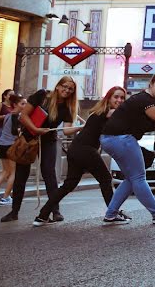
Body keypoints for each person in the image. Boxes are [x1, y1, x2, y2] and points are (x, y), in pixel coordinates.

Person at [99, 72, 155, 225]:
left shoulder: (143, 99)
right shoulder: (147, 101)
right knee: (139, 177)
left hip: (110, 139)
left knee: (131, 178)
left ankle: (111, 214)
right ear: (151, 84)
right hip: (121, 139)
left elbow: (141, 119)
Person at [33, 86, 127, 226]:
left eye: (122, 98)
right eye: (116, 97)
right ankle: (112, 213)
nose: (119, 100)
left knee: (69, 184)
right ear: (108, 98)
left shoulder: (98, 111)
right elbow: (119, 115)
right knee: (106, 179)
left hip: (76, 149)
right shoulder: (108, 112)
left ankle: (42, 215)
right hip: (85, 150)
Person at [1, 77, 82, 223]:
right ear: (57, 86)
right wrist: (35, 129)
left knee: (49, 174)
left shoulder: (67, 107)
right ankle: (14, 212)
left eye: (71, 89)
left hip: (48, 140)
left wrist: (82, 127)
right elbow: (23, 116)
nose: (67, 90)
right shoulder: (42, 95)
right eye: (65, 86)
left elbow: (67, 130)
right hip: (28, 138)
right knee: (21, 176)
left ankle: (55, 211)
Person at [0, 94, 23, 205]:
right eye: (23, 103)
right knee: (14, 172)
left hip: (2, 144)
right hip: (11, 146)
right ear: (15, 104)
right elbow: (18, 134)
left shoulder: (7, 115)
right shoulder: (19, 117)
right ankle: (6, 197)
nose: (25, 105)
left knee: (5, 171)